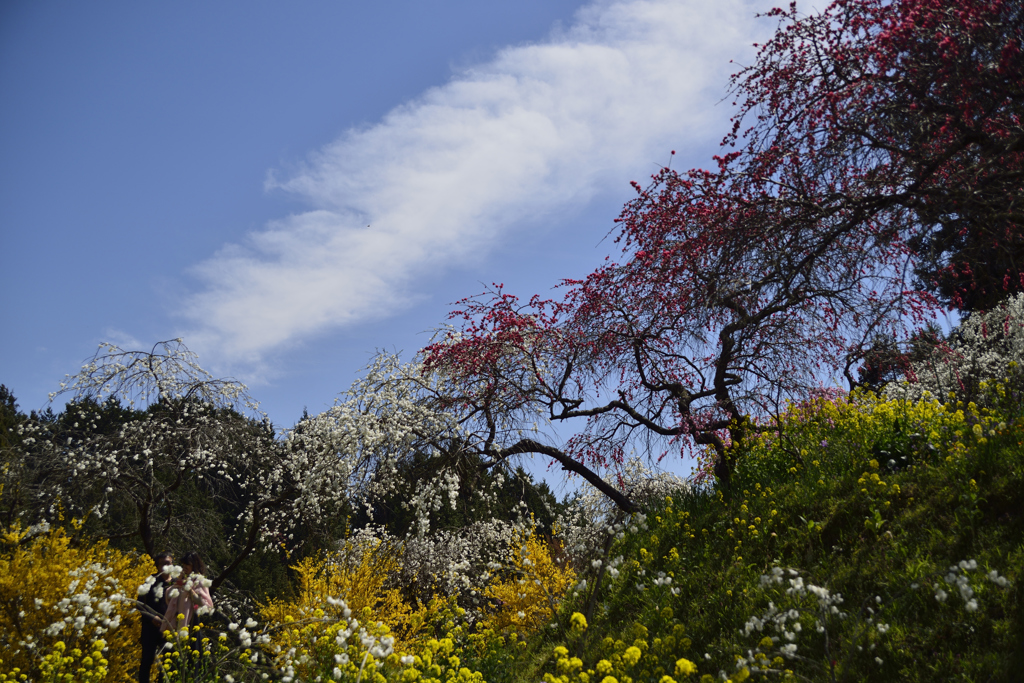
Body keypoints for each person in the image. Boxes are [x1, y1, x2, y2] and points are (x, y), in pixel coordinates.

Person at [136, 552, 172, 683]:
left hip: (169, 628)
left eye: (168, 563)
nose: (166, 566)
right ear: (157, 566)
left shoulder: (177, 582)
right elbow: (139, 604)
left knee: (167, 662)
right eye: (163, 563)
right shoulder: (150, 581)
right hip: (150, 628)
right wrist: (152, 618)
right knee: (147, 660)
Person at [160, 551, 214, 634]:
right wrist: (179, 582)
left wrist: (189, 590)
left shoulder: (199, 581)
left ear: (194, 565)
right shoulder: (182, 579)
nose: (184, 567)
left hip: (192, 623)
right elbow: (169, 596)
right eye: (183, 564)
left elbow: (205, 604)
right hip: (177, 621)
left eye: (187, 564)